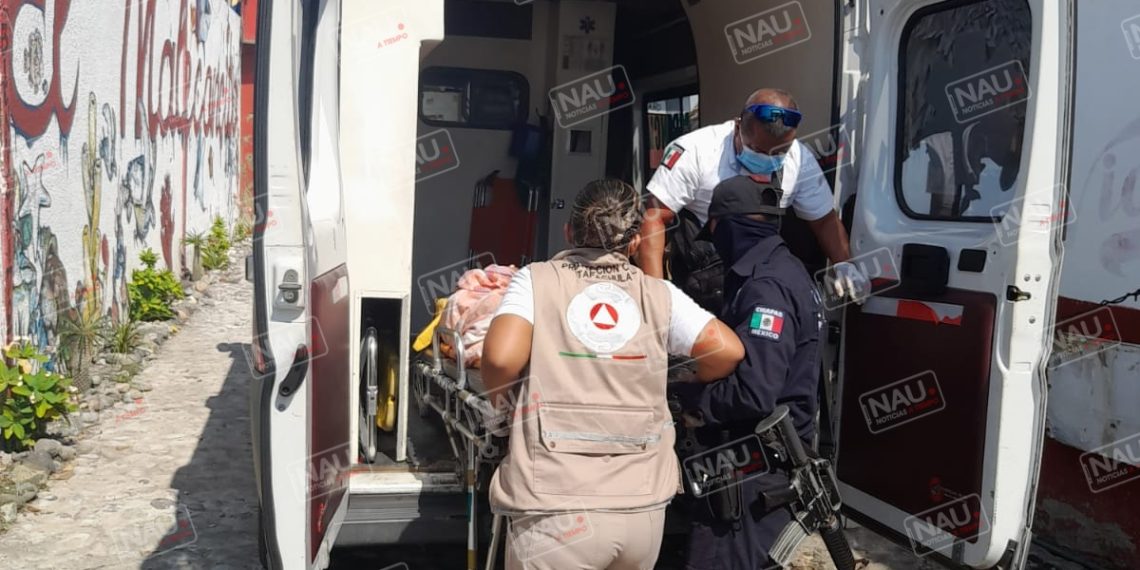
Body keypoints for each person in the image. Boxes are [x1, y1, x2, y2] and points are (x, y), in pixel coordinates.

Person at [480, 179, 746, 570]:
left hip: (557, 507)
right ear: (635, 242)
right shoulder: (659, 294)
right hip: (640, 510)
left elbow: (501, 360)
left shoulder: (537, 279)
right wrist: (677, 379)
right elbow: (728, 351)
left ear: (569, 231)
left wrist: (501, 410)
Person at [670, 175, 825, 569]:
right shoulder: (788, 270)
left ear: (728, 226)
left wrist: (690, 403)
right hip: (767, 466)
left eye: (715, 232)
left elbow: (754, 392)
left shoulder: (766, 287)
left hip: (753, 473)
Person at [637, 87, 867, 313]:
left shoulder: (800, 160)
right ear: (737, 126)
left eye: (778, 153)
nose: (767, 159)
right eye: (757, 150)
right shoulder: (696, 151)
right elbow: (655, 218)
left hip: (761, 271)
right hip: (705, 272)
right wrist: (657, 296)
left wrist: (844, 264)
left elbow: (824, 220)